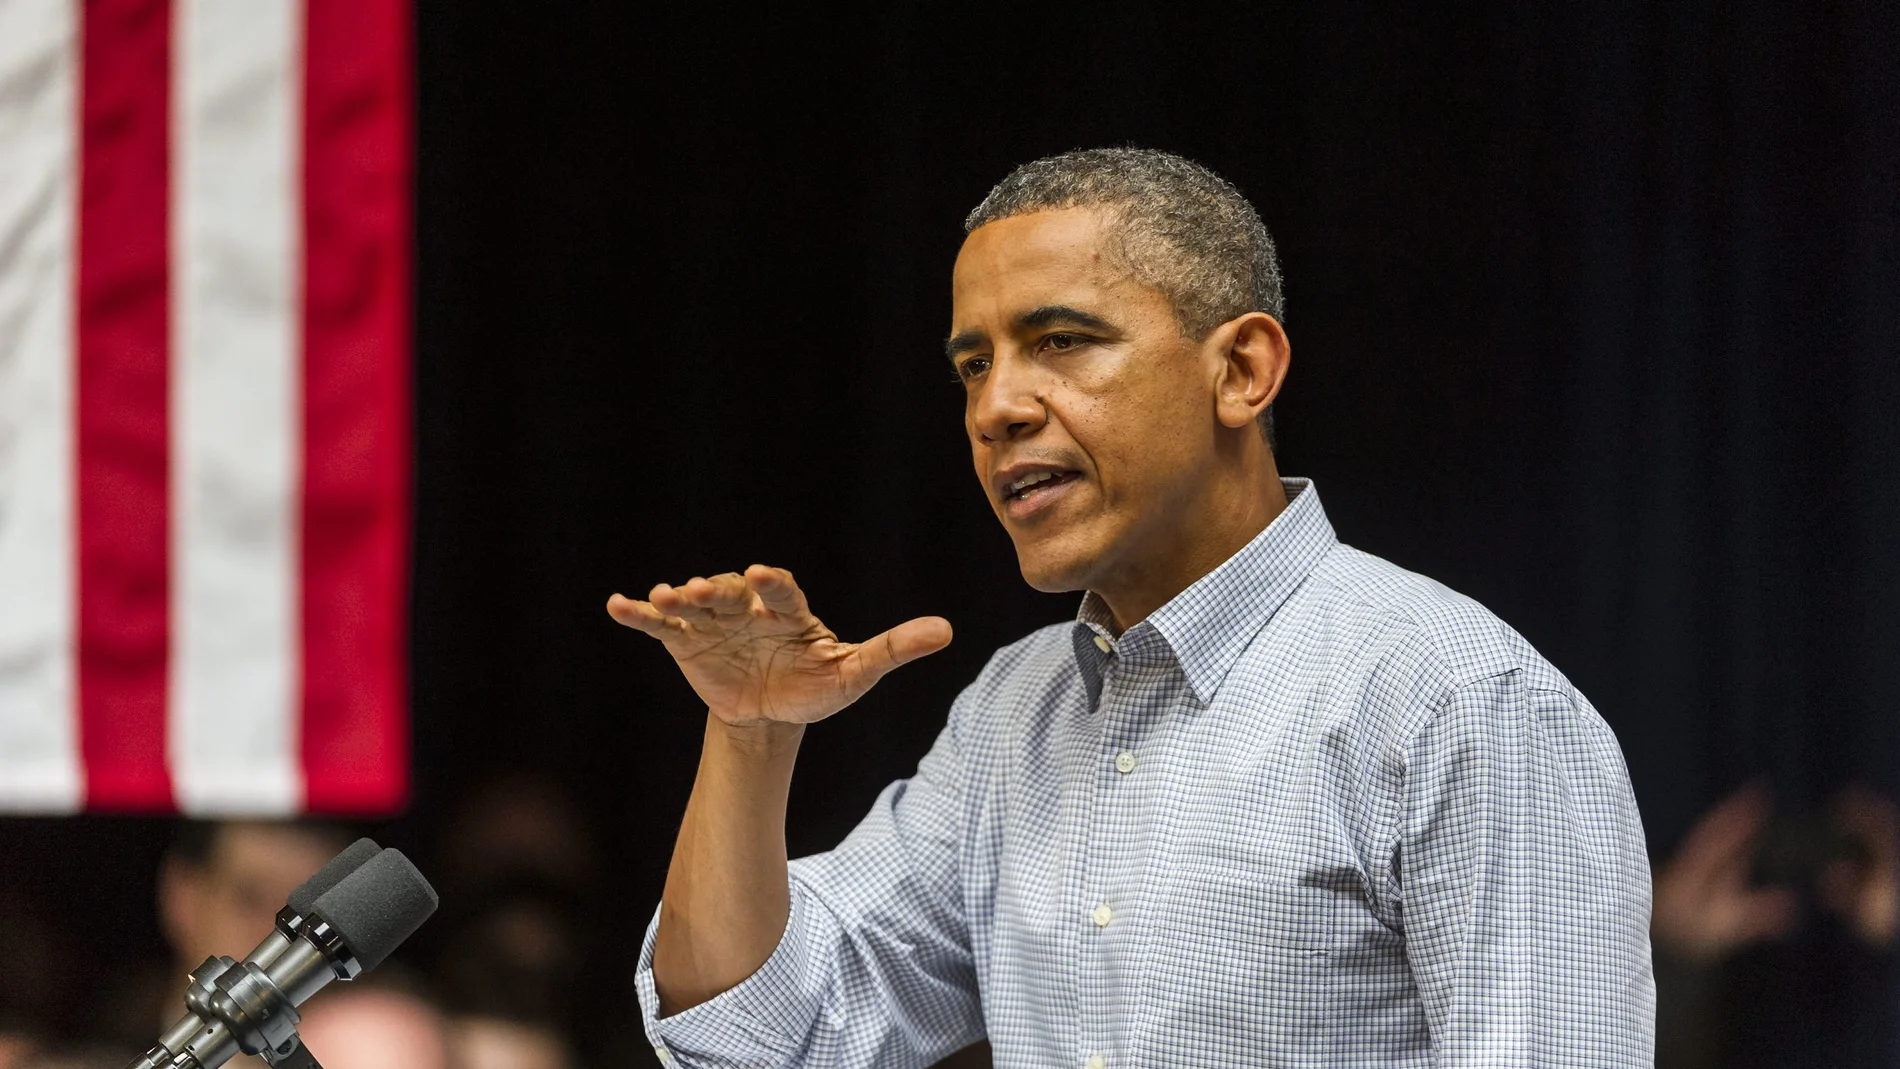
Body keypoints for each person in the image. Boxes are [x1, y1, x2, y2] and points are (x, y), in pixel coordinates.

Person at [608, 147, 1654, 1067]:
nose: (996, 408)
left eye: (1060, 341)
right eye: (973, 365)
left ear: (1241, 370)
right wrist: (750, 739)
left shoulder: (1457, 698)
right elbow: (762, 1035)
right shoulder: (1011, 713)